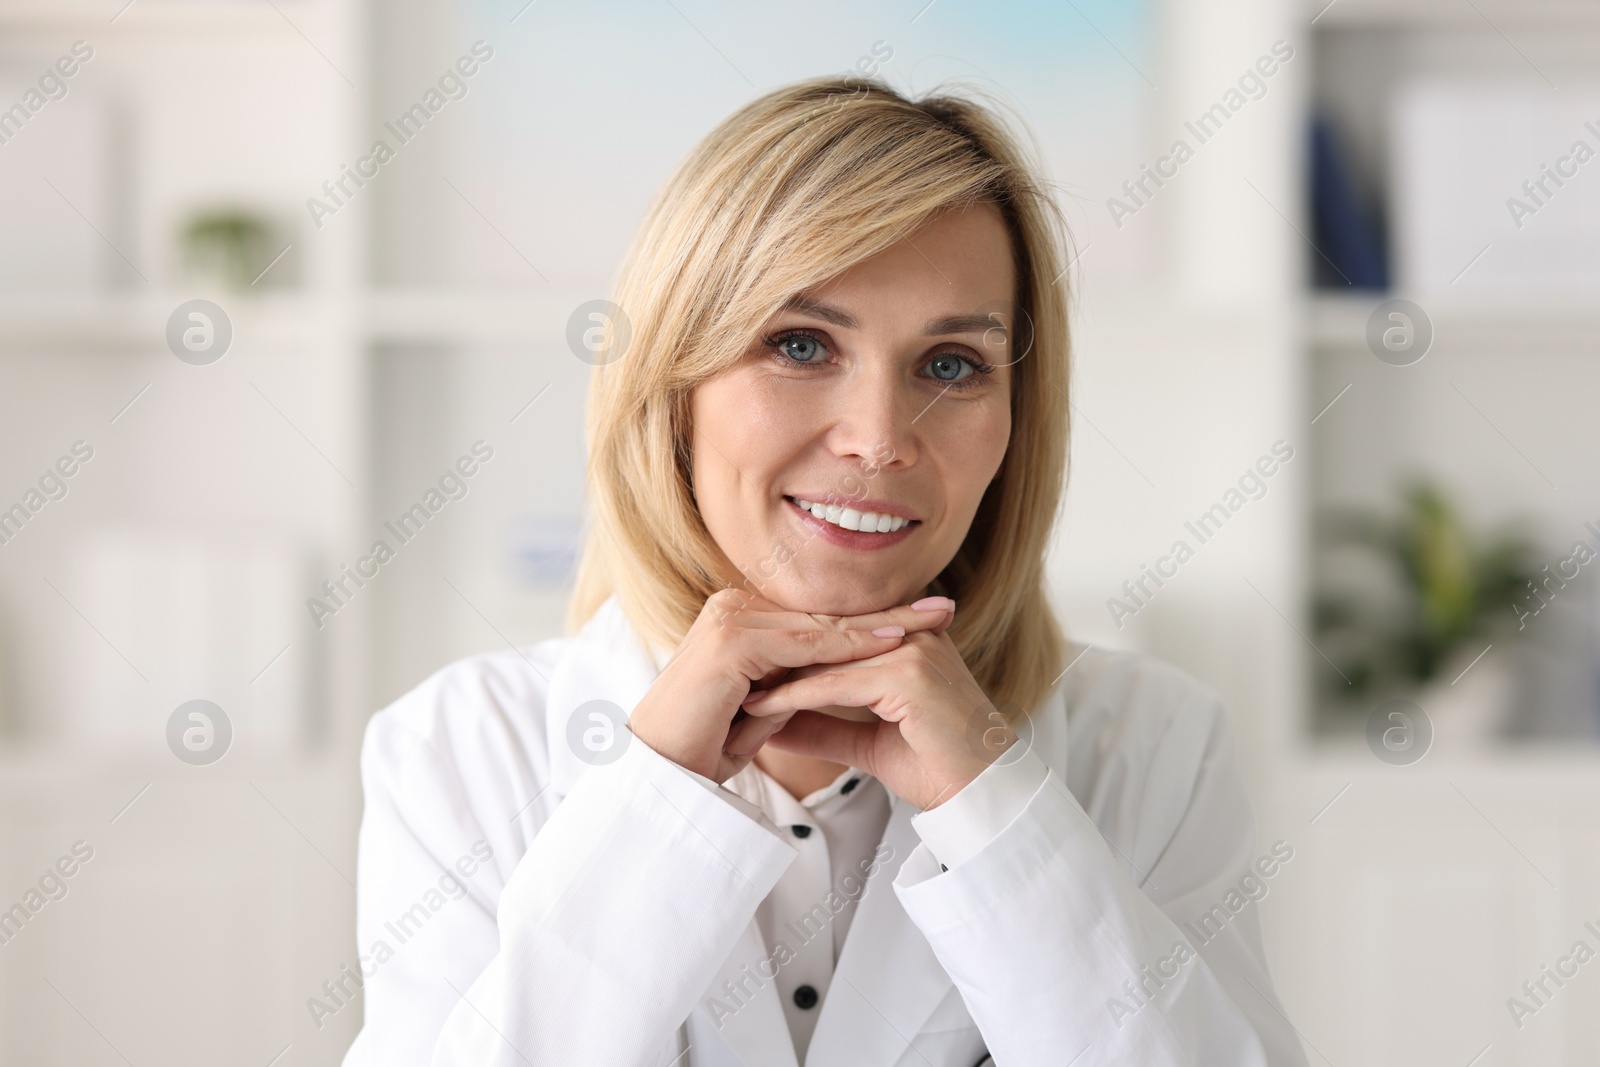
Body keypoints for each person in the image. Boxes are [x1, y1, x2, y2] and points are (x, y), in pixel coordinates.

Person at [340, 76, 1308, 1067]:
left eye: (950, 365)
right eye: (800, 345)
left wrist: (996, 805)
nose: (880, 439)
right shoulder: (455, 746)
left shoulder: (1154, 743)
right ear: (670, 389)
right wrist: (658, 795)